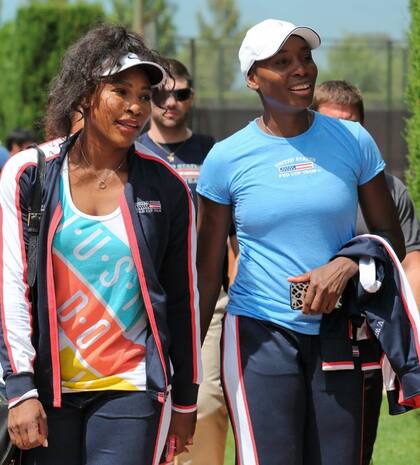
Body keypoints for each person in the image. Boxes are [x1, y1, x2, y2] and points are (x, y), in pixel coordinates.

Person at [196, 19, 405, 465]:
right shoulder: (226, 158)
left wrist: (347, 265)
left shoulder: (353, 140)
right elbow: (206, 270)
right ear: (253, 77)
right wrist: (185, 366)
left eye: (306, 58)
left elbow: (392, 239)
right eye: (282, 62)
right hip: (258, 333)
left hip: (339, 331)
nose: (301, 70)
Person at [0, 25, 201, 465]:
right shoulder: (27, 174)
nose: (136, 107)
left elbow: (183, 299)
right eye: (120, 90)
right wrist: (20, 388)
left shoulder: (167, 187)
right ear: (85, 93)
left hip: (131, 390)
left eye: (144, 95)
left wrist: (186, 399)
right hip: (48, 390)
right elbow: (10, 289)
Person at [312, 79, 420, 465]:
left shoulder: (388, 191)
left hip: (363, 344)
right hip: (297, 335)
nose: (344, 134)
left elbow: (412, 262)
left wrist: (405, 338)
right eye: (332, 124)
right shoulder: (293, 182)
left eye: (353, 124)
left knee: (354, 451)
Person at [139, 58, 231, 465]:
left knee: (208, 403)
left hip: (205, 299)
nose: (170, 101)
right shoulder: (133, 149)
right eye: (160, 94)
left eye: (182, 93)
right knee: (145, 403)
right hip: (142, 300)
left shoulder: (214, 152)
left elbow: (234, 235)